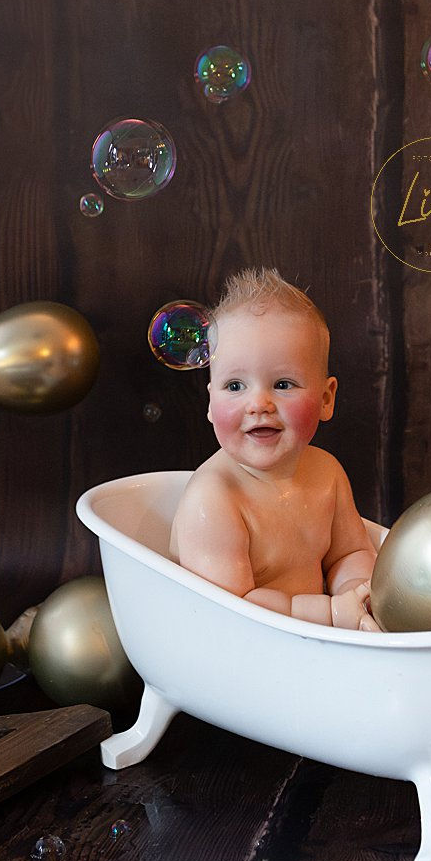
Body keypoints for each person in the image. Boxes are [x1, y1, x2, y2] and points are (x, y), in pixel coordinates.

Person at [171, 268, 379, 630]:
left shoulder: (327, 473)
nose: (259, 404)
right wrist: (330, 614)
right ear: (209, 403)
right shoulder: (214, 498)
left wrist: (357, 595)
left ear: (327, 399)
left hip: (314, 640)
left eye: (283, 384)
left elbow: (351, 552)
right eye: (235, 386)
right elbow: (231, 611)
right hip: (239, 649)